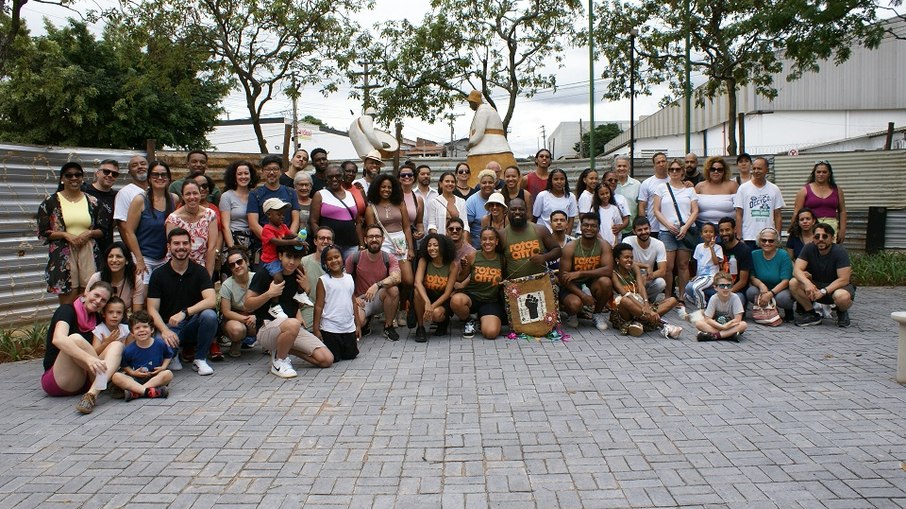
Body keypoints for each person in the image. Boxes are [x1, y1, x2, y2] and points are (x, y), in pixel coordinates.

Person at [245, 244, 334, 378]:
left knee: (326, 359)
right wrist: (269, 294)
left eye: (296, 258)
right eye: (288, 256)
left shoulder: (299, 274)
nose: (292, 262)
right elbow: (247, 305)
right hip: (266, 328)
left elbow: (299, 306)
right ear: (280, 256)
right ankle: (279, 361)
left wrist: (306, 289)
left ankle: (283, 348)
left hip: (290, 329)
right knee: (293, 323)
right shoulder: (265, 273)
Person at [42, 280, 122, 414]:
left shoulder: (97, 319)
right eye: (96, 295)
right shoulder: (67, 311)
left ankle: (92, 395)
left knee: (117, 345)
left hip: (86, 379)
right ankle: (107, 382)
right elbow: (58, 339)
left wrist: (106, 344)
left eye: (103, 300)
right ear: (87, 292)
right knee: (75, 339)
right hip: (59, 379)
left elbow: (93, 352)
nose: (98, 301)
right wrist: (90, 360)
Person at [147, 228, 218, 376]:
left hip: (193, 325)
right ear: (169, 247)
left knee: (210, 315)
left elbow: (211, 300)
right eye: (176, 243)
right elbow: (152, 309)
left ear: (190, 246)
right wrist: (164, 331)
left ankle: (200, 359)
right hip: (170, 328)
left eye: (185, 243)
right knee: (160, 349)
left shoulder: (200, 271)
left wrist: (184, 313)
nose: (181, 247)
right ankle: (174, 355)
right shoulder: (158, 274)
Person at [38, 162, 107, 304]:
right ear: (62, 178)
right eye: (69, 175)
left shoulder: (93, 201)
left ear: (82, 178)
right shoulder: (51, 202)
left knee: (89, 294)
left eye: (78, 174)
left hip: (88, 250)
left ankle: (86, 325)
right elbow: (43, 232)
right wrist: (65, 235)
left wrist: (89, 233)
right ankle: (68, 324)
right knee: (68, 298)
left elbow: (103, 230)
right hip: (63, 253)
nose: (73, 178)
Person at [365, 174, 416, 326]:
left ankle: (402, 309)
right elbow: (371, 230)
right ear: (377, 188)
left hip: (400, 244)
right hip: (383, 245)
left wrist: (411, 247)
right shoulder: (371, 208)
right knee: (390, 280)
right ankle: (389, 313)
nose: (386, 189)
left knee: (408, 280)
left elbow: (407, 227)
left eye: (389, 187)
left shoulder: (400, 203)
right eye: (383, 187)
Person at [122, 161, 178, 284]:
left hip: (166, 258)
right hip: (144, 257)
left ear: (169, 178)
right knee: (142, 295)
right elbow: (129, 231)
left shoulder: (174, 199)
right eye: (155, 175)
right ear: (149, 178)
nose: (159, 178)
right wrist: (139, 259)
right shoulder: (140, 200)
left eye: (163, 175)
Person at [652, 159, 699, 303]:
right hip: (667, 231)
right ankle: (667, 296)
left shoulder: (690, 190)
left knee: (683, 265)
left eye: (677, 169)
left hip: (685, 230)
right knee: (668, 266)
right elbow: (656, 210)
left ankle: (682, 296)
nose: (674, 172)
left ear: (683, 172)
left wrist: (685, 227)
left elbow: (695, 210)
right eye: (671, 169)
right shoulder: (661, 188)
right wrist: (667, 225)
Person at [610, 243, 681, 338]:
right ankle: (663, 325)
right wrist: (646, 309)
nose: (629, 260)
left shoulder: (634, 268)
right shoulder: (613, 273)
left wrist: (646, 304)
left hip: (640, 306)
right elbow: (625, 294)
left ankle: (638, 323)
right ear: (617, 259)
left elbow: (641, 287)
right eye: (626, 257)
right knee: (624, 300)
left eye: (631, 257)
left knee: (672, 300)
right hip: (625, 311)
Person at [790, 223, 855, 328]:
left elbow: (844, 279)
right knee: (794, 282)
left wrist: (824, 291)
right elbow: (796, 270)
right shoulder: (808, 248)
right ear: (813, 238)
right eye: (817, 236)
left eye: (825, 236)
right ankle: (811, 314)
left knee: (841, 296)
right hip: (815, 288)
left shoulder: (840, 251)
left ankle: (842, 312)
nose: (820, 239)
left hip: (836, 288)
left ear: (832, 238)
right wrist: (807, 283)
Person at [559, 213, 614, 331]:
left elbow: (608, 270)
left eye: (593, 226)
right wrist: (583, 295)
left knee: (606, 282)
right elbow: (563, 278)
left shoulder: (604, 245)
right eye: (586, 225)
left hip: (592, 283)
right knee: (574, 304)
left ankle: (597, 314)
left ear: (598, 228)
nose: (589, 228)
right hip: (572, 285)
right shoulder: (570, 247)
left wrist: (581, 273)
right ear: (581, 227)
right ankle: (572, 314)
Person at [346, 225, 402, 340]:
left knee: (393, 289)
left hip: (379, 297)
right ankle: (366, 323)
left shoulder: (389, 258)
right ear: (365, 240)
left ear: (383, 239)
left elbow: (397, 278)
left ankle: (388, 326)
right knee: (359, 322)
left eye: (377, 236)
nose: (374, 239)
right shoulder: (354, 258)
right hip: (360, 300)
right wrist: (353, 298)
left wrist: (377, 285)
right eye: (371, 236)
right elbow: (343, 282)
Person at [451, 227, 505, 340]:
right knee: (456, 301)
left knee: (490, 333)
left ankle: (483, 319)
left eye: (491, 239)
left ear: (496, 241)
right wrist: (464, 267)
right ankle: (469, 320)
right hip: (472, 298)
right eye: (484, 239)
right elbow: (461, 278)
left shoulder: (502, 259)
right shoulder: (473, 256)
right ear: (480, 241)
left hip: (490, 301)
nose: (487, 242)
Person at [259, 198, 306, 318]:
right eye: (278, 214)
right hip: (270, 260)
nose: (282, 217)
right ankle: (274, 305)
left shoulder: (283, 226)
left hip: (280, 258)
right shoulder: (267, 229)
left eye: (283, 214)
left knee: (300, 267)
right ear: (269, 214)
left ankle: (300, 293)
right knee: (278, 277)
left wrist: (300, 239)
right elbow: (276, 242)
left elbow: (291, 234)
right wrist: (293, 242)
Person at [112, 310, 173, 401]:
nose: (141, 330)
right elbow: (125, 365)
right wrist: (133, 373)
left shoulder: (160, 344)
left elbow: (168, 356)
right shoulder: (129, 349)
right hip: (136, 379)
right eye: (137, 328)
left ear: (152, 329)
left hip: (154, 378)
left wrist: (163, 367)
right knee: (116, 376)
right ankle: (150, 391)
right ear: (132, 333)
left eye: (145, 326)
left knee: (168, 374)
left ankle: (136, 392)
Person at [313, 244, 361, 360]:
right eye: (329, 259)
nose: (334, 261)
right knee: (334, 358)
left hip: (348, 327)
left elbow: (353, 302)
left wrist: (358, 324)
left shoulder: (349, 278)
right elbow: (319, 306)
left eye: (336, 257)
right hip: (330, 328)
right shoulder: (323, 281)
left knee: (351, 355)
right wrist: (316, 328)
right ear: (325, 263)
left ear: (342, 258)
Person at [165, 180, 218, 278]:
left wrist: (208, 276)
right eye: (188, 194)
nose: (192, 197)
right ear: (182, 196)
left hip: (202, 267)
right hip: (178, 267)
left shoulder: (210, 215)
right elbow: (173, 249)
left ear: (200, 194)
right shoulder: (173, 219)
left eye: (195, 193)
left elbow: (212, 247)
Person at [500, 198, 561, 279]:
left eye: (521, 209)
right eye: (513, 209)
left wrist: (544, 257)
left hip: (541, 281)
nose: (517, 212)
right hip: (515, 285)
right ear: (507, 212)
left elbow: (558, 250)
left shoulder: (540, 230)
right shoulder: (502, 235)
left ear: (526, 211)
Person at [310, 164, 363, 259]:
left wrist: (362, 244)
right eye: (330, 177)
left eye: (337, 176)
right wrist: (322, 240)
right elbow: (313, 221)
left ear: (342, 177)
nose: (334, 179)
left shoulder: (350, 195)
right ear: (326, 178)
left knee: (350, 272)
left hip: (351, 245)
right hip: (330, 246)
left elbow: (358, 222)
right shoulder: (320, 195)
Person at [465, 90, 518, 184]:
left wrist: (470, 144)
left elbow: (479, 133)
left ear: (474, 101)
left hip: (482, 150)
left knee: (475, 182)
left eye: (470, 103)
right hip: (501, 148)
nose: (470, 105)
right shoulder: (489, 109)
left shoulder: (483, 110)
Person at [413, 233, 458, 341]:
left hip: (442, 299)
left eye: (436, 245)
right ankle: (420, 327)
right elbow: (417, 282)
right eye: (429, 245)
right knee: (417, 292)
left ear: (443, 247)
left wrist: (431, 308)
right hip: (427, 296)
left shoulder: (452, 265)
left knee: (437, 314)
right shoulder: (424, 261)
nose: (432, 248)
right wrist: (427, 302)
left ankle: (443, 322)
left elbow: (448, 293)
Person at [248, 154, 300, 245]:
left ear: (281, 171)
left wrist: (288, 240)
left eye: (275, 169)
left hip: (287, 244)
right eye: (268, 169)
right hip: (264, 246)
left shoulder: (291, 192)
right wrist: (273, 240)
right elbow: (253, 224)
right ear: (262, 171)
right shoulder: (255, 194)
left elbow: (295, 219)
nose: (271, 173)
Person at [734, 156, 784, 249]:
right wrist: (739, 236)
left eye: (759, 168)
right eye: (754, 168)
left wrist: (777, 237)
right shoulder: (743, 188)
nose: (756, 171)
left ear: (767, 170)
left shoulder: (774, 189)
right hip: (748, 237)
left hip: (768, 237)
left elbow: (778, 215)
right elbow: (738, 214)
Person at [746, 227, 794, 322]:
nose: (767, 243)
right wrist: (761, 285)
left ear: (776, 242)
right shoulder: (754, 254)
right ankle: (766, 311)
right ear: (759, 241)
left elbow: (786, 281)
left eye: (771, 241)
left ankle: (788, 311)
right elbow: (752, 276)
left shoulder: (783, 255)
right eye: (764, 240)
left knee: (783, 298)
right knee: (751, 292)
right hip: (763, 289)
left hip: (780, 289)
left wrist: (770, 294)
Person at [793, 160, 847, 243]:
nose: (821, 174)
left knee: (830, 252)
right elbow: (797, 212)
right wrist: (794, 230)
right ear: (814, 173)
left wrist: (842, 230)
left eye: (824, 172)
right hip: (811, 228)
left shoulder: (837, 190)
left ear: (829, 174)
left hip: (832, 227)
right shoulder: (804, 190)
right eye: (818, 172)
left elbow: (842, 211)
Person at [219, 160, 259, 267]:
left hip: (251, 240)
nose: (243, 176)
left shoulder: (255, 195)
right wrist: (233, 249)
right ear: (234, 176)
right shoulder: (227, 196)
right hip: (233, 239)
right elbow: (225, 226)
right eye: (239, 174)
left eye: (246, 173)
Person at [86, 242, 145, 312]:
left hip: (122, 319)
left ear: (127, 260)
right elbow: (86, 303)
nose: (114, 260)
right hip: (96, 318)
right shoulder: (97, 277)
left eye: (118, 256)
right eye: (110, 256)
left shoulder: (136, 281)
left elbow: (137, 313)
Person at [220, 249, 257, 358]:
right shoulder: (227, 285)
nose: (236, 266)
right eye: (232, 265)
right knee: (237, 330)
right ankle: (236, 342)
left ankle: (269, 345)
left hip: (256, 315)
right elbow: (226, 312)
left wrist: (256, 316)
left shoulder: (257, 278)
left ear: (247, 262)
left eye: (239, 262)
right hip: (235, 318)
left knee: (270, 322)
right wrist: (246, 319)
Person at [623, 216, 668, 303]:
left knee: (661, 282)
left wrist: (645, 278)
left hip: (647, 279)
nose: (644, 232)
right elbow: (624, 262)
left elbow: (662, 270)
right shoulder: (628, 241)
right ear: (634, 231)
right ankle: (638, 300)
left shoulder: (659, 244)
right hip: (631, 278)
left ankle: (644, 300)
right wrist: (645, 266)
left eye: (646, 229)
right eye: (640, 230)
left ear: (650, 229)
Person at [81, 159, 118, 262]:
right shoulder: (83, 191)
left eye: (114, 174)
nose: (110, 175)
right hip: (83, 246)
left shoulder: (117, 197)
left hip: (105, 250)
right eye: (106, 171)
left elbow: (116, 222)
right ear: (97, 173)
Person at [299, 226, 335, 330]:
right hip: (308, 308)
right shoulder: (303, 262)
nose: (325, 241)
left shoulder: (337, 265)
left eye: (328, 239)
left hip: (330, 309)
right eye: (322, 238)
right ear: (315, 241)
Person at [695, 272, 748, 341]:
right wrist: (722, 327)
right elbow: (708, 319)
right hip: (717, 326)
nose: (726, 288)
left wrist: (726, 326)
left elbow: (738, 319)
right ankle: (729, 335)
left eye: (728, 285)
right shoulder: (714, 298)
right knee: (699, 323)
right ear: (715, 287)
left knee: (743, 324)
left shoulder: (735, 297)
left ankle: (715, 336)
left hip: (730, 326)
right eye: (722, 285)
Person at [683, 222, 724, 310]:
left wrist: (711, 248)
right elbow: (699, 264)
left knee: (696, 288)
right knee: (687, 289)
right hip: (701, 276)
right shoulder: (699, 247)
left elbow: (716, 262)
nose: (708, 234)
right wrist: (697, 275)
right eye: (705, 231)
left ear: (715, 235)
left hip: (711, 276)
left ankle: (702, 308)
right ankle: (702, 302)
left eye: (711, 232)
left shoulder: (718, 247)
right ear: (701, 234)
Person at [717, 216, 753, 310]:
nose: (724, 233)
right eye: (721, 230)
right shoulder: (717, 248)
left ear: (734, 229)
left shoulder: (744, 250)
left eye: (727, 230)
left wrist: (726, 292)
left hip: (737, 291)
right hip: (718, 288)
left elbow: (742, 281)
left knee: (737, 300)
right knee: (691, 288)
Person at [694, 156, 738, 230]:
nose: (716, 172)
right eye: (712, 169)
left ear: (724, 171)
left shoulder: (733, 186)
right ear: (708, 170)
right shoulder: (699, 187)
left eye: (720, 170)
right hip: (703, 228)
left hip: (727, 229)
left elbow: (739, 211)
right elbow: (693, 210)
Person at [532, 168, 578, 232]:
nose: (559, 182)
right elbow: (535, 218)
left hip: (562, 235)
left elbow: (571, 220)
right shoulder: (542, 196)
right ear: (551, 181)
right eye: (556, 179)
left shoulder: (571, 197)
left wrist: (566, 238)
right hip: (544, 235)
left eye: (562, 179)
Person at [426, 171, 468, 240]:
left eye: (452, 182)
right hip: (441, 241)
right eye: (447, 181)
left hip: (458, 241)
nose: (450, 184)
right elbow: (432, 225)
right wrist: (439, 242)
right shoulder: (434, 202)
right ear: (440, 184)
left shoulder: (461, 202)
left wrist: (464, 242)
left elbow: (465, 225)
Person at [114, 155, 148, 238]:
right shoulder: (125, 193)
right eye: (134, 165)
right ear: (130, 172)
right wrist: (132, 250)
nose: (140, 167)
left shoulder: (156, 190)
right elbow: (123, 226)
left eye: (143, 164)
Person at [637, 152, 670, 238]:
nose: (661, 164)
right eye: (658, 162)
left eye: (663, 161)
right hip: (653, 227)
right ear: (654, 165)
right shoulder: (647, 183)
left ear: (667, 163)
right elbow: (642, 206)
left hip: (671, 226)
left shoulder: (674, 181)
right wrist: (643, 226)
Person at [466, 169, 499, 248]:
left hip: (498, 245)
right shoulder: (471, 201)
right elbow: (466, 227)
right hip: (477, 246)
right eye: (484, 182)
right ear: (479, 184)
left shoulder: (499, 197)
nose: (487, 185)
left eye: (490, 182)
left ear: (494, 184)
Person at [397, 163, 426, 247]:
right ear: (399, 178)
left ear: (414, 178)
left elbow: (419, 222)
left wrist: (420, 232)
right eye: (403, 175)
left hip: (411, 240)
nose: (406, 177)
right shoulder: (393, 197)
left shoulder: (418, 199)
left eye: (409, 175)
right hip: (395, 238)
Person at [613, 155, 641, 235]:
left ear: (629, 168)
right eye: (619, 166)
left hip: (631, 230)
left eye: (624, 166)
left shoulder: (637, 185)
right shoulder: (610, 184)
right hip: (613, 230)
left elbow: (640, 207)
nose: (621, 168)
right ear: (615, 168)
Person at [292, 172, 313, 244]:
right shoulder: (290, 203)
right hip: (293, 241)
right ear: (295, 186)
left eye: (307, 185)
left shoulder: (315, 203)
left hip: (311, 241)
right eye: (301, 185)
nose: (304, 188)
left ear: (311, 186)